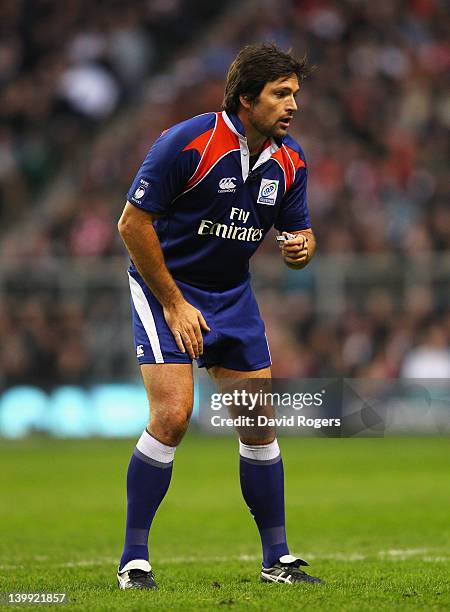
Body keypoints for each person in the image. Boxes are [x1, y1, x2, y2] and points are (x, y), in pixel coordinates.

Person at [116, 43, 322, 589]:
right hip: (166, 289)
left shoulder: (291, 161)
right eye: (281, 94)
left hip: (232, 295)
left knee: (258, 423)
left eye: (295, 94)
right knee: (174, 415)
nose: (292, 105)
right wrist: (174, 302)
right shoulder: (187, 141)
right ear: (246, 99)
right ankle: (133, 559)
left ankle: (276, 559)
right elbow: (132, 225)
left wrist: (302, 247)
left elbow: (298, 232)